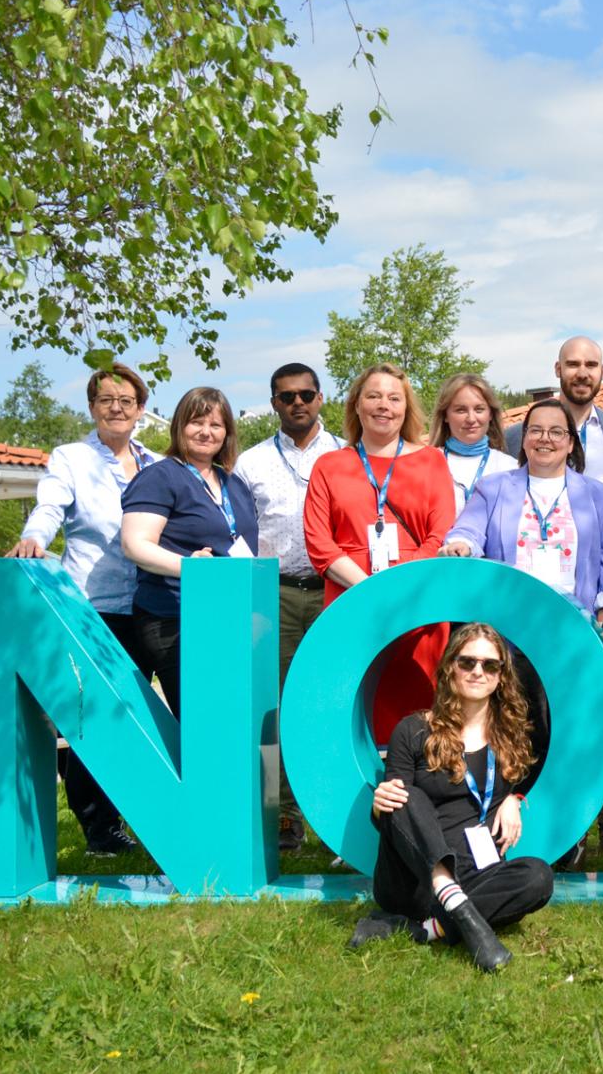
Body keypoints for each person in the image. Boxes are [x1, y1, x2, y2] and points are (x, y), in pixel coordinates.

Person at [442, 398, 603, 868]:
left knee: (563, 730)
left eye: (556, 431)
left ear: (571, 442)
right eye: (536, 430)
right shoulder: (494, 487)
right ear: (524, 440)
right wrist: (461, 542)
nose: (545, 438)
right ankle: (505, 827)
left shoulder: (597, 494)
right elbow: (470, 529)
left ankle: (564, 830)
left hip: (573, 630)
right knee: (514, 727)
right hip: (512, 631)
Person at [10, 362, 159, 856]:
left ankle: (152, 810)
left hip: (150, 605)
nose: (116, 408)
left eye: (126, 400)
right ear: (92, 407)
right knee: (91, 718)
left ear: (140, 409)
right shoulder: (71, 458)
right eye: (105, 400)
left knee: (142, 715)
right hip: (93, 608)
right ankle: (100, 828)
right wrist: (35, 536)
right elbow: (50, 505)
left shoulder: (157, 462)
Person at [362, 623, 555, 972]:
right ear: (450, 666)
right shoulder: (414, 730)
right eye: (467, 662)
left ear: (501, 675)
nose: (478, 671)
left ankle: (427, 929)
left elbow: (527, 775)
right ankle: (458, 908)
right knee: (406, 795)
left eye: (490, 665)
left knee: (538, 876)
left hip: (478, 873)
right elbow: (396, 818)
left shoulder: (510, 735)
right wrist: (380, 806)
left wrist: (514, 797)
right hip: (413, 881)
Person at [304, 364, 456, 744]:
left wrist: (394, 586)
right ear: (356, 405)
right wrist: (370, 588)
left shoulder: (433, 461)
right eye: (373, 396)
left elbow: (441, 534)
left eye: (394, 397)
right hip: (351, 600)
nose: (383, 405)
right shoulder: (329, 466)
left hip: (418, 605)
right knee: (355, 711)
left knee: (421, 712)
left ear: (406, 408)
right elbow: (319, 542)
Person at [234, 362, 345, 851]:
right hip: (273, 592)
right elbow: (236, 529)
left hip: (333, 589)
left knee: (336, 698)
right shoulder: (251, 463)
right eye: (286, 397)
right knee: (274, 706)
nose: (297, 403)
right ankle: (285, 819)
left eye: (305, 394)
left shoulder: (346, 454)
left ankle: (340, 808)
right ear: (274, 403)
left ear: (321, 398)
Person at [120, 387, 261, 721]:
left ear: (227, 432)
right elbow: (135, 544)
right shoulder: (159, 477)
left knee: (229, 719)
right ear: (180, 426)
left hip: (226, 618)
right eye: (196, 422)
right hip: (175, 619)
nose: (206, 432)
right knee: (202, 721)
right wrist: (190, 567)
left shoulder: (233, 483)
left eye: (216, 425)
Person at [505, 336, 603, 491]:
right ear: (558, 369)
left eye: (591, 365)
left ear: (602, 372)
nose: (582, 374)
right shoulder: (516, 436)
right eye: (573, 364)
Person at [429, 372, 518, 513]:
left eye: (479, 409)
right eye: (461, 410)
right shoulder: (427, 464)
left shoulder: (511, 468)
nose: (471, 418)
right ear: (445, 415)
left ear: (490, 414)